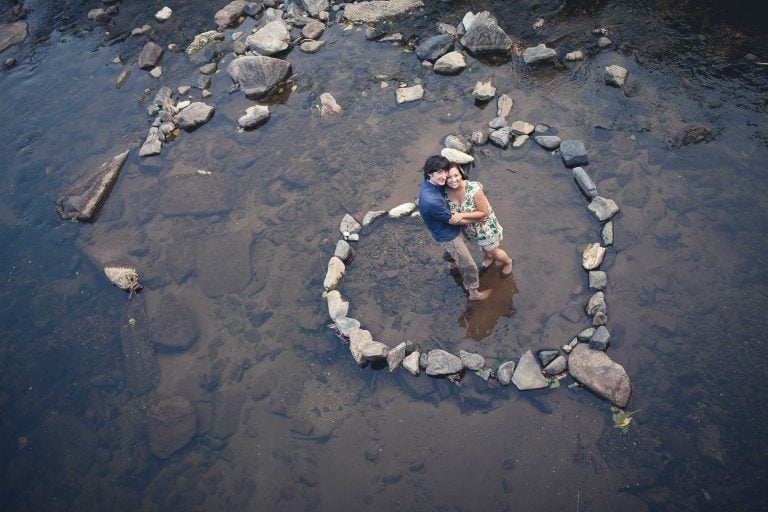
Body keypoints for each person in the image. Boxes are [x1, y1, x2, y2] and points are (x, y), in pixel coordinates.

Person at [418, 155, 492, 301]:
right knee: (468, 264)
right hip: (448, 234)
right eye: (439, 172)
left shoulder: (428, 184)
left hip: (439, 229)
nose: (444, 176)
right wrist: (478, 217)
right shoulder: (432, 201)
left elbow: (455, 181)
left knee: (451, 252)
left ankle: (452, 264)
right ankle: (473, 292)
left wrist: (473, 186)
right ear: (429, 173)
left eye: (445, 171)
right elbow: (454, 220)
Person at [445, 164, 513, 277]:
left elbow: (484, 213)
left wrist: (460, 215)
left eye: (456, 175)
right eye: (448, 177)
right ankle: (489, 258)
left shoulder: (473, 188)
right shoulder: (446, 192)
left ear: (461, 173)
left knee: (493, 251)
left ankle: (508, 262)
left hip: (485, 228)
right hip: (470, 229)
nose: (453, 180)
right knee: (485, 249)